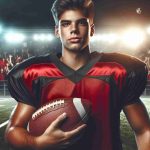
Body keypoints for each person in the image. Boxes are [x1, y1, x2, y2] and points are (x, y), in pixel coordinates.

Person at [5, 0, 150, 150]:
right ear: (57, 31)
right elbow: (13, 130)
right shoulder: (35, 73)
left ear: (91, 29)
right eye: (66, 24)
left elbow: (144, 130)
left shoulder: (118, 70)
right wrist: (38, 142)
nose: (73, 30)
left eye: (81, 23)